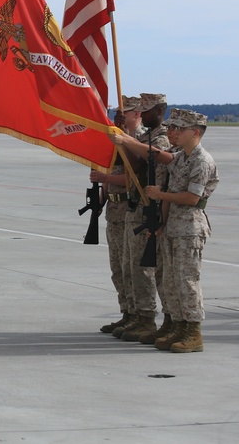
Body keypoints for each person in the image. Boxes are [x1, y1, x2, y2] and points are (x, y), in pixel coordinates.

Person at [146, 109, 218, 352]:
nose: (173, 133)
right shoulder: (180, 157)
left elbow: (191, 198)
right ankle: (178, 325)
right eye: (172, 128)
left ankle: (193, 331)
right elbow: (170, 190)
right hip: (173, 227)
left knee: (187, 280)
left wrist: (160, 195)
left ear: (195, 133)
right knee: (171, 280)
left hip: (190, 228)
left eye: (179, 129)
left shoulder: (201, 160)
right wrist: (161, 224)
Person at [109, 93, 172, 342]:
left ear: (160, 110)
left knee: (147, 269)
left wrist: (125, 139)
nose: (143, 114)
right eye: (141, 110)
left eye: (147, 110)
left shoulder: (162, 138)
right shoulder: (144, 137)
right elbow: (133, 165)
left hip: (152, 207)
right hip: (136, 206)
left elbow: (150, 158)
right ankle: (135, 314)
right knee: (129, 267)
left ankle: (147, 318)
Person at [90, 95, 143, 334]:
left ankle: (139, 315)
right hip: (114, 210)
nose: (121, 117)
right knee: (118, 268)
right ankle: (127, 312)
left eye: (127, 112)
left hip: (130, 209)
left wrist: (106, 179)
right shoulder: (115, 141)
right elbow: (108, 176)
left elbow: (136, 177)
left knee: (132, 268)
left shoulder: (139, 142)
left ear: (138, 114)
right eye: (118, 113)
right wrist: (100, 199)